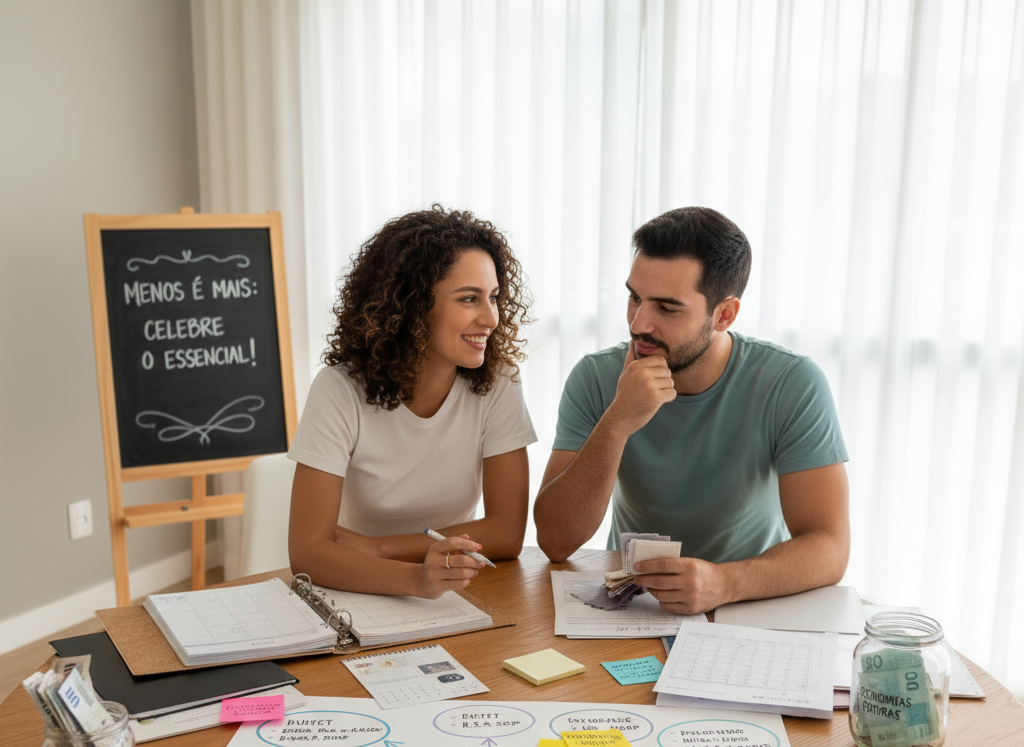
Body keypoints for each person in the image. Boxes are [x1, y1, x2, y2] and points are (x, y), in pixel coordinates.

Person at [534, 206, 849, 614]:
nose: (639, 323)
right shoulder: (595, 376)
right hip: (634, 606)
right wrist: (616, 422)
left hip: (746, 602)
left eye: (667, 308)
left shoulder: (792, 383)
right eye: (634, 298)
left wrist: (723, 583)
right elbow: (556, 541)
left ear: (724, 314)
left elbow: (829, 546)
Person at [288, 206, 536, 598]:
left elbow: (506, 534)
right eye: (469, 299)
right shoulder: (338, 390)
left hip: (458, 585)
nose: (491, 317)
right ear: (412, 306)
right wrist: (419, 578)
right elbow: (308, 553)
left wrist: (382, 547)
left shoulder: (500, 383)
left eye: (494, 297)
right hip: (359, 587)